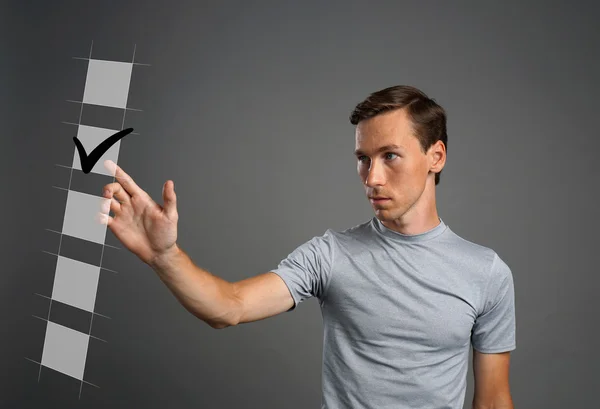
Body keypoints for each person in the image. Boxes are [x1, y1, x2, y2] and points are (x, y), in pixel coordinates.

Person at [99, 85, 516, 409]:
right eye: (363, 158)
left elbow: (494, 401)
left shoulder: (486, 272)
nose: (371, 177)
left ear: (436, 157)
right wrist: (163, 255)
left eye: (390, 156)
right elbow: (229, 307)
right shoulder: (331, 254)